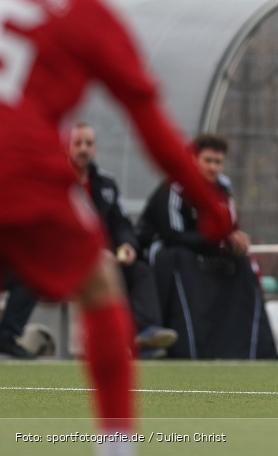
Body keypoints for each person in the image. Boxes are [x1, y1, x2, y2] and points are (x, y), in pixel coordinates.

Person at [0, 0, 232, 448]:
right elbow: (153, 130)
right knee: (100, 286)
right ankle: (116, 443)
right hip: (20, 171)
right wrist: (209, 202)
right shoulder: (87, 12)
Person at [0, 123, 182, 360]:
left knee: (139, 270)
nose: (83, 149)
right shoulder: (50, 181)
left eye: (89, 143)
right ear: (66, 147)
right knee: (27, 275)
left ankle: (144, 334)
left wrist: (126, 245)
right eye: (78, 143)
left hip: (98, 265)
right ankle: (8, 336)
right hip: (57, 262)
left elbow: (121, 224)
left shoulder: (106, 184)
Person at [137, 134, 278, 360]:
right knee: (179, 258)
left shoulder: (223, 188)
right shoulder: (175, 187)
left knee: (242, 263)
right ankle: (184, 346)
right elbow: (172, 234)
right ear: (194, 160)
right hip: (166, 251)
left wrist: (235, 242)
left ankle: (250, 348)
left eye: (218, 162)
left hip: (205, 251)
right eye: (208, 160)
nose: (213, 167)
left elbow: (230, 228)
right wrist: (220, 240)